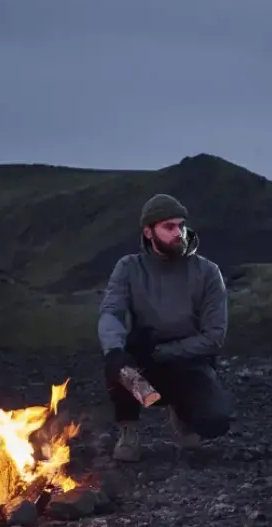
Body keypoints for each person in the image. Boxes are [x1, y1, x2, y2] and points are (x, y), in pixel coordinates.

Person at [98, 193, 233, 462]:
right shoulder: (129, 268)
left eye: (181, 225)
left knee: (214, 422)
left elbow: (215, 335)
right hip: (143, 362)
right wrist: (114, 349)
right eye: (169, 227)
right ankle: (129, 430)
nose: (178, 233)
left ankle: (181, 412)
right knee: (118, 365)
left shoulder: (207, 272)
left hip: (189, 361)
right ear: (149, 232)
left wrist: (164, 352)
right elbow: (110, 312)